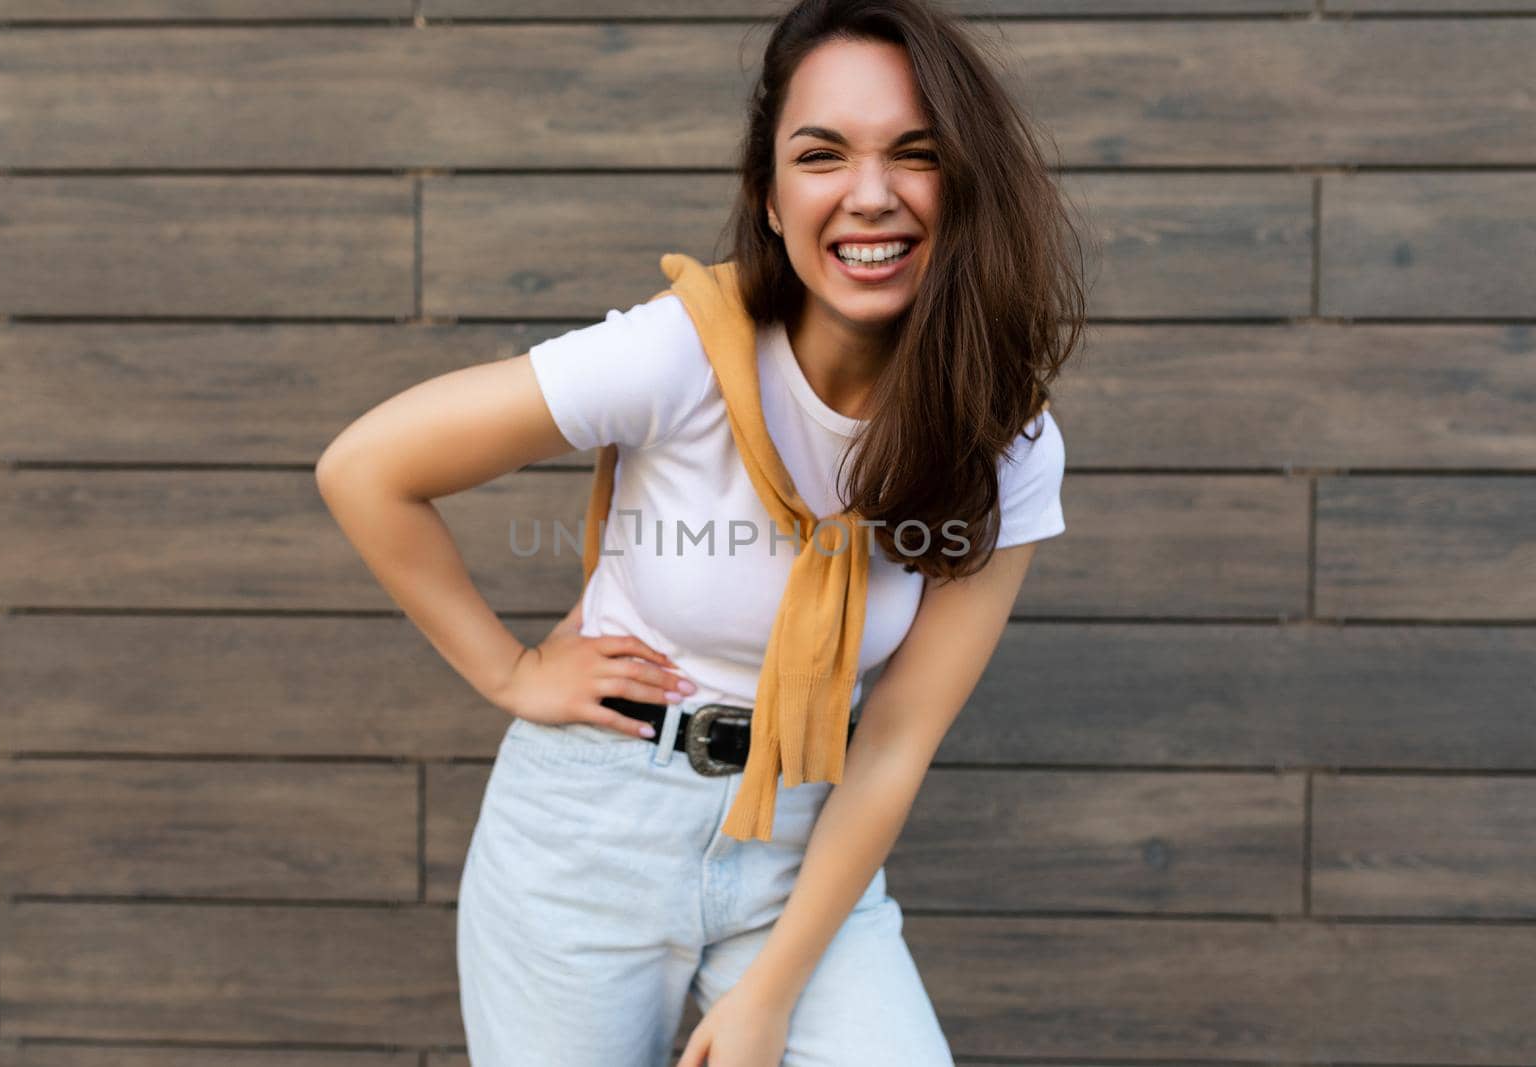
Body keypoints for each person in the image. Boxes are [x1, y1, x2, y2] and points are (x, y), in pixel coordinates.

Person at [315, 0, 1088, 1063]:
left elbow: (897, 738)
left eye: (917, 154)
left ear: (967, 186)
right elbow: (367, 468)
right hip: (587, 842)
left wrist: (771, 991)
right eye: (822, 155)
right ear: (770, 198)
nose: (871, 194)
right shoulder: (682, 354)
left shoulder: (1001, 433)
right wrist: (510, 671)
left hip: (799, 850)